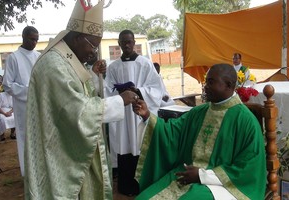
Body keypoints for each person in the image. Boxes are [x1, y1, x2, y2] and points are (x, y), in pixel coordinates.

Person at [24, 1, 139, 199]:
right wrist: (119, 101)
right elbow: (75, 110)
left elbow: (83, 92)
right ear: (78, 38)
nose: (93, 53)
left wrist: (95, 78)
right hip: (56, 152)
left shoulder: (68, 58)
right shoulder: (54, 65)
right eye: (93, 46)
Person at [132, 63, 266, 199]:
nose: (205, 86)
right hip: (186, 173)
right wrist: (147, 115)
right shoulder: (198, 112)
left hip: (222, 186)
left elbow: (248, 167)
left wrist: (202, 175)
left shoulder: (245, 121)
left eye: (211, 82)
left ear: (229, 85)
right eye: (206, 81)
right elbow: (171, 133)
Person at [105, 29, 163, 196]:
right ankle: (125, 186)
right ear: (119, 43)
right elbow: (107, 90)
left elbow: (156, 88)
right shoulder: (113, 67)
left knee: (139, 144)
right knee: (124, 145)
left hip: (139, 111)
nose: (127, 45)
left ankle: (141, 185)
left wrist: (139, 91)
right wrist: (121, 94)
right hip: (122, 115)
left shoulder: (145, 64)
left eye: (130, 41)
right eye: (123, 42)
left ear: (134, 42)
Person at [2, 26, 40, 176]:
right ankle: (28, 173)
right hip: (23, 105)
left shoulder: (38, 56)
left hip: (39, 103)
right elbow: (8, 84)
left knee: (40, 136)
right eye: (32, 39)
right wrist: (29, 90)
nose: (35, 42)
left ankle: (41, 169)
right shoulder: (14, 57)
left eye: (36, 39)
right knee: (26, 137)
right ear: (23, 37)